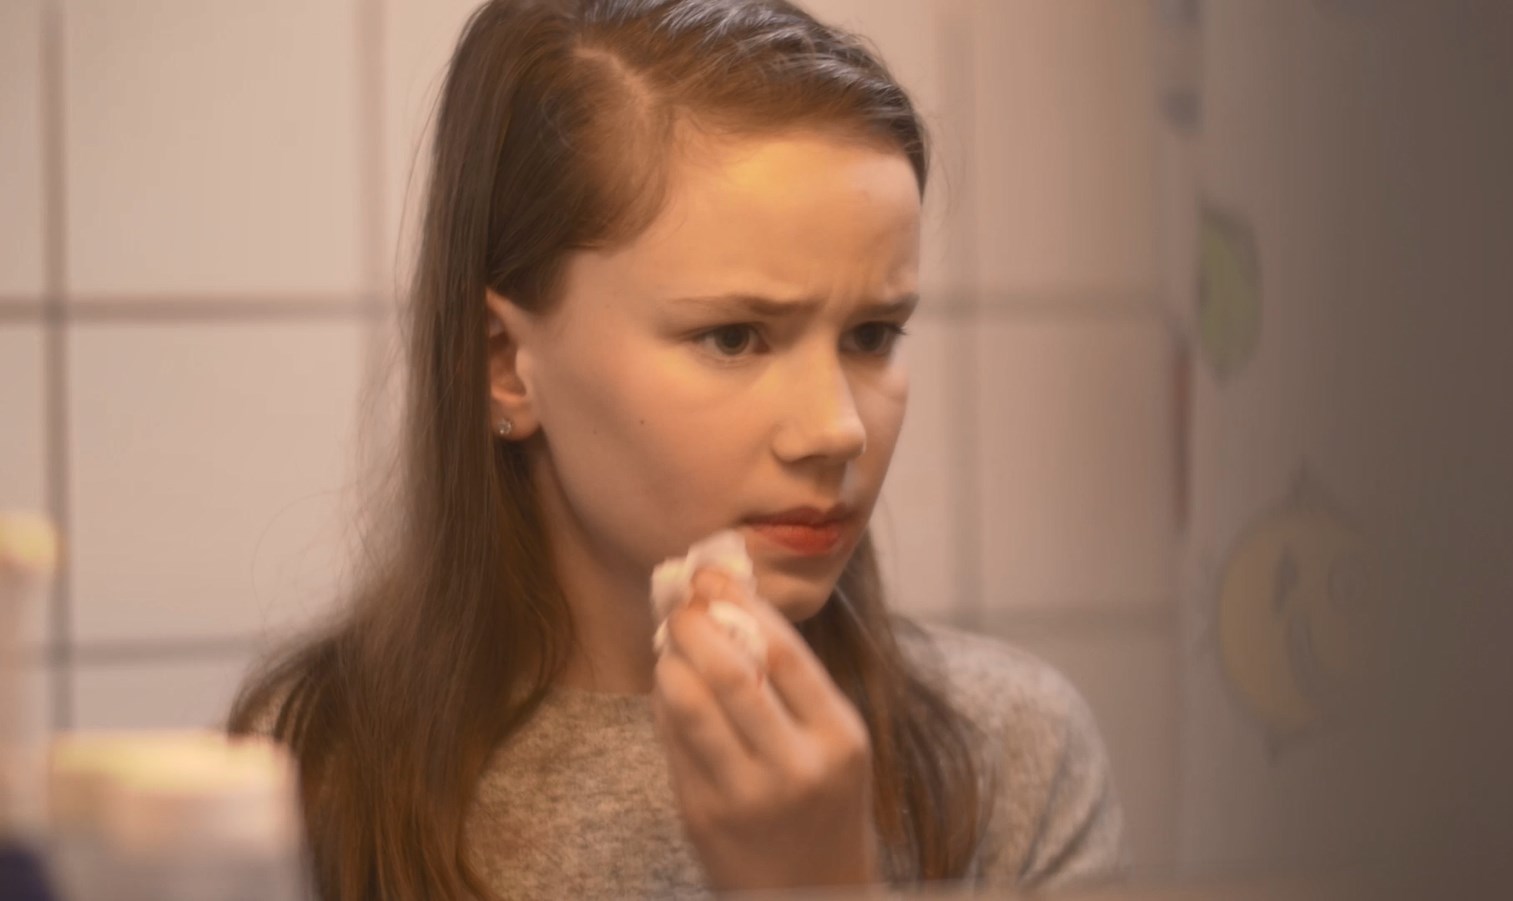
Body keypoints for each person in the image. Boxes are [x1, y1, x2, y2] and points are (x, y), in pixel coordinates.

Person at [228, 0, 1125, 897]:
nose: (838, 428)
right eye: (735, 337)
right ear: (506, 363)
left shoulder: (1008, 755)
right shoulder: (312, 771)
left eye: (873, 334)